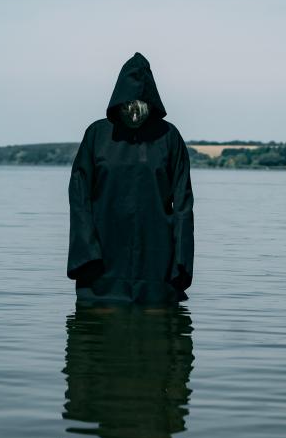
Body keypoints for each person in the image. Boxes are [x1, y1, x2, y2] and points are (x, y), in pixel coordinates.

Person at [67, 52, 194, 304]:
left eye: (140, 106)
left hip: (157, 267)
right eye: (128, 106)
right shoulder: (97, 136)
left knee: (158, 335)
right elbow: (79, 198)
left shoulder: (169, 138)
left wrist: (181, 265)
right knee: (96, 336)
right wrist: (87, 256)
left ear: (151, 101)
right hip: (101, 267)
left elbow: (183, 206)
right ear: (119, 101)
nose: (134, 114)